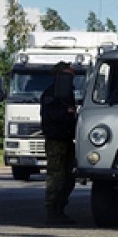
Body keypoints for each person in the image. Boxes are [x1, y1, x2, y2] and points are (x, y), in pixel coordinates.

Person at [40, 61, 78, 225]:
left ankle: (60, 208)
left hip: (67, 138)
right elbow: (52, 115)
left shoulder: (66, 92)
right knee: (56, 176)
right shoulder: (51, 93)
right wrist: (66, 112)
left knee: (69, 177)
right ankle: (52, 210)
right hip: (56, 140)